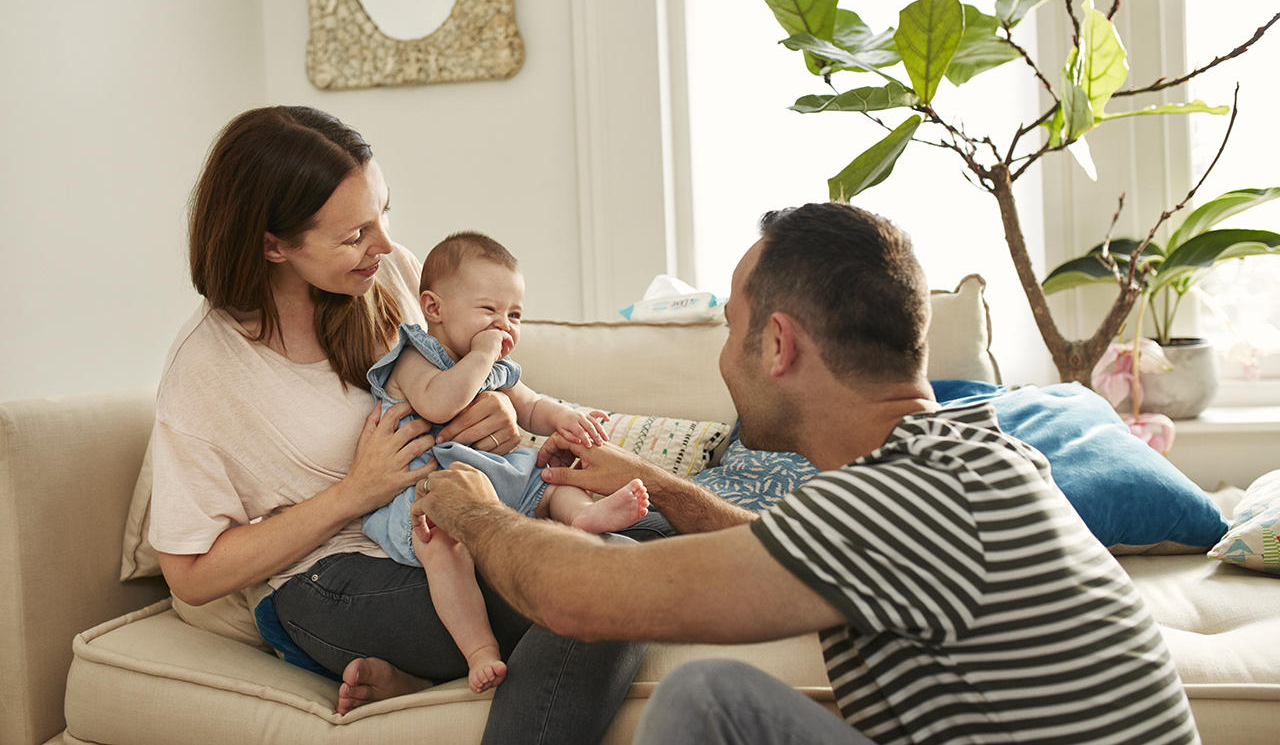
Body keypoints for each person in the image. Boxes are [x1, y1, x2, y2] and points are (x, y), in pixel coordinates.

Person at [414, 202, 1200, 745]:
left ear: (779, 345)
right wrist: (663, 482)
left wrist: (475, 509)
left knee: (703, 699)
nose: (724, 357)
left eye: (730, 329)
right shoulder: (958, 458)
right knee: (718, 699)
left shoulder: (898, 499)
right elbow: (784, 551)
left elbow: (577, 598)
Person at [148, 104, 647, 741]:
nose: (384, 245)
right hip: (332, 577)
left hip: (452, 522)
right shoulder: (206, 372)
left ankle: (416, 681)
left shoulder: (388, 275)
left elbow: (475, 374)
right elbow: (190, 576)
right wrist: (352, 493)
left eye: (383, 211)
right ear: (273, 244)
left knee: (652, 531)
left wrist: (491, 414)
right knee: (609, 583)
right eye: (354, 234)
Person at [362, 230, 651, 693]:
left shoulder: (495, 364)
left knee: (552, 475)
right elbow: (440, 405)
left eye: (514, 314)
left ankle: (583, 518)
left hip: (493, 481)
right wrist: (480, 356)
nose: (504, 325)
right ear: (434, 309)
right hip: (429, 491)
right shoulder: (414, 357)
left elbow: (530, 404)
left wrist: (566, 417)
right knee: (444, 551)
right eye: (489, 311)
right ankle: (479, 650)